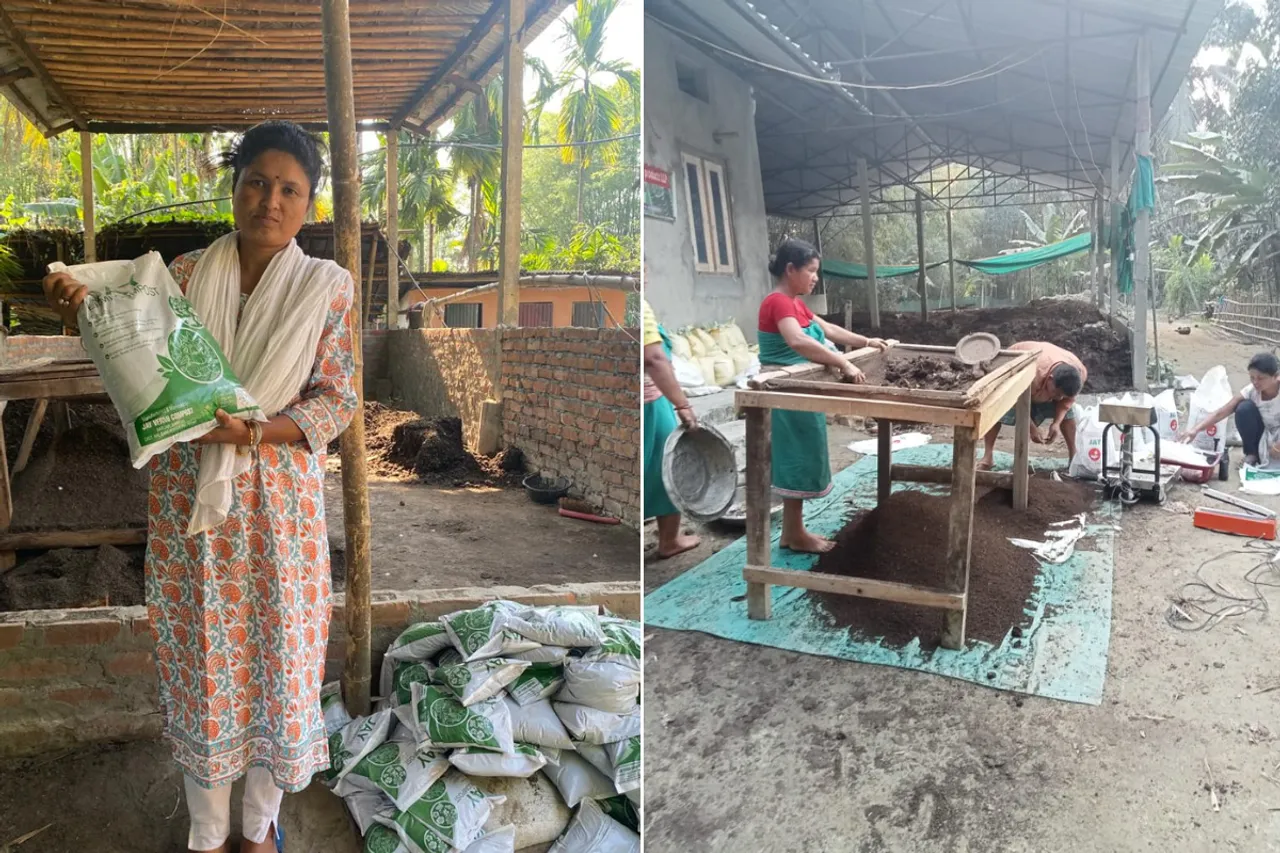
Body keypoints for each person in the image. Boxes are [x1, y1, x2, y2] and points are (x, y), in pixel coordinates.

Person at [43, 121, 357, 853]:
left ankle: (258, 829)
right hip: (192, 505)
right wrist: (80, 311)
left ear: (308, 204)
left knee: (279, 662)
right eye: (256, 181)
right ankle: (207, 834)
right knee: (204, 665)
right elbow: (138, 365)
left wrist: (249, 431)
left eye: (289, 189)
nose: (269, 201)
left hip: (281, 509)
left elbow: (336, 401)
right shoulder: (179, 277)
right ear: (234, 186)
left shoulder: (327, 287)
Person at [759, 238, 888, 553]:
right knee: (796, 459)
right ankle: (795, 534)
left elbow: (827, 329)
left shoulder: (796, 303)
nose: (815, 277)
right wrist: (842, 361)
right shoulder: (777, 302)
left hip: (805, 391)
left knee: (806, 456)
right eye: (811, 270)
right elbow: (798, 340)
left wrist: (865, 341)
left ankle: (793, 532)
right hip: (788, 392)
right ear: (791, 269)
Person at [642, 278, 701, 559]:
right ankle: (669, 540)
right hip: (649, 404)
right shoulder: (639, 307)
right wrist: (682, 404)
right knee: (668, 467)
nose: (642, 277)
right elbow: (654, 358)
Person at [978, 341, 1085, 472]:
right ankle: (988, 456)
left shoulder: (1079, 373)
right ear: (1050, 379)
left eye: (1063, 395)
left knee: (1069, 413)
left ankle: (1073, 457)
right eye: (1057, 393)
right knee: (996, 409)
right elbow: (1015, 397)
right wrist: (1032, 427)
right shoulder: (1033, 370)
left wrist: (1056, 423)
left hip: (1042, 379)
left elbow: (1067, 402)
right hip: (1013, 373)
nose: (1059, 398)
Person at [1181, 351, 1280, 466]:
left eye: (1261, 378)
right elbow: (1223, 411)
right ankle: (1252, 454)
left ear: (1276, 376)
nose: (1255, 382)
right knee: (1244, 409)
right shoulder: (1252, 391)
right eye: (1252, 377)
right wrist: (1195, 430)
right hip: (1266, 433)